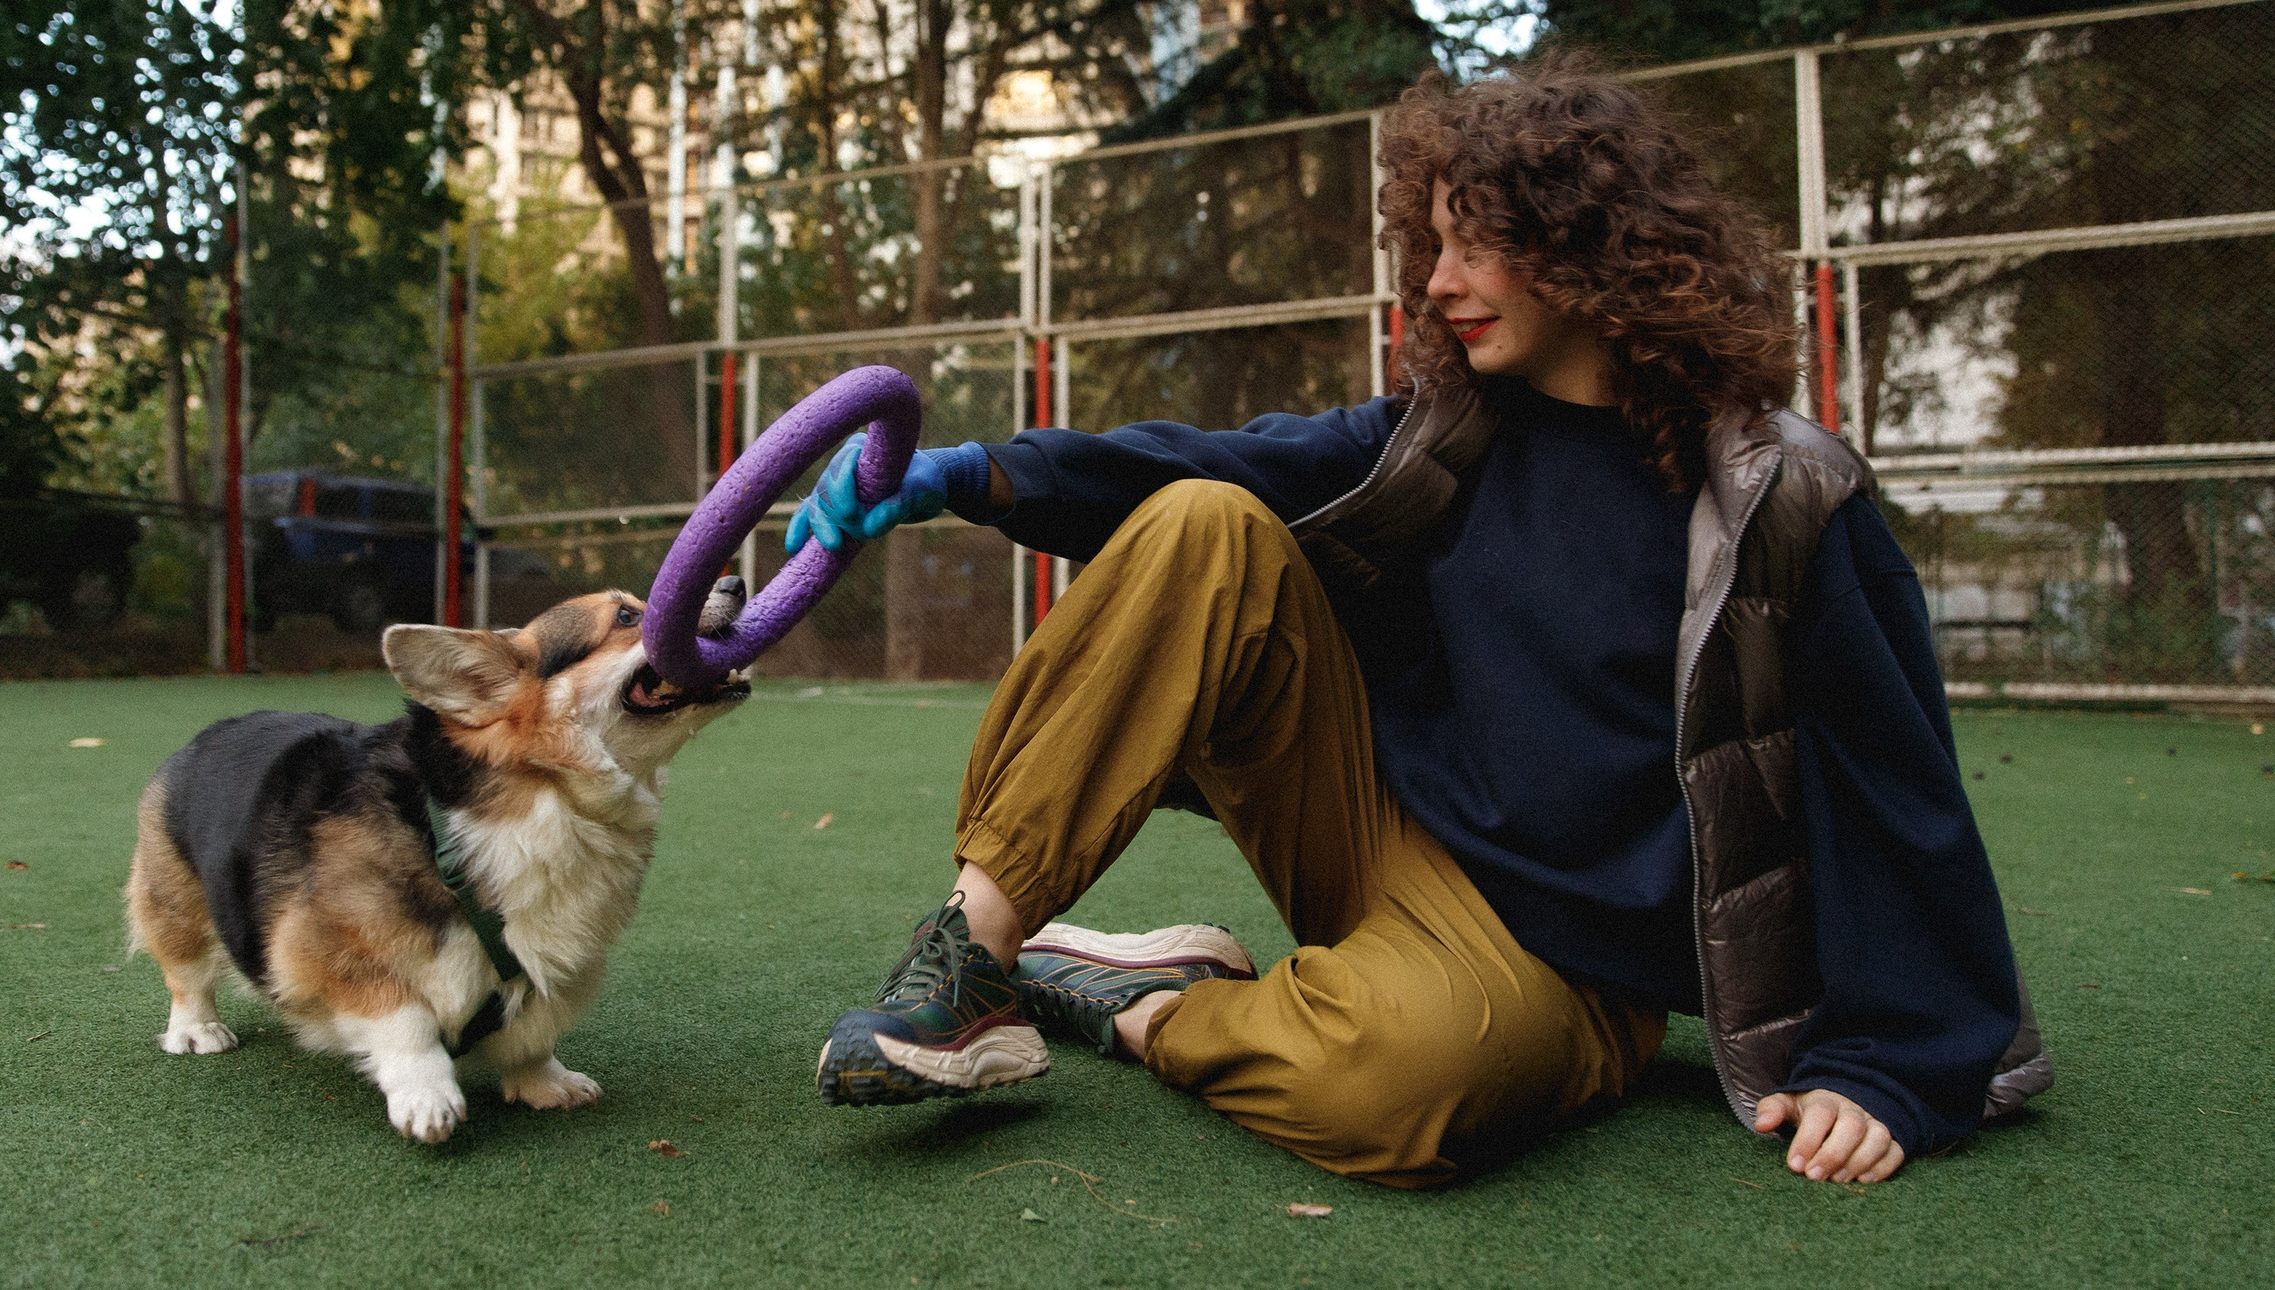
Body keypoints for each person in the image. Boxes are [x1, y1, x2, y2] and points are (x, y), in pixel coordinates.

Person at [785, 63, 2051, 1190]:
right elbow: (1217, 460)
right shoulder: (1442, 432)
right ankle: (970, 965)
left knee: (1398, 1090)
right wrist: (974, 477)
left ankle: (1138, 1005)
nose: (1439, 283)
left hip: (1571, 969)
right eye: (1433, 245)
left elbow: (1895, 787)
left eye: (1477, 244)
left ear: (1591, 244)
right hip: (1370, 830)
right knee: (1203, 519)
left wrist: (1887, 1064)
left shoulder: (1782, 498)